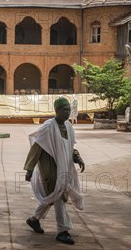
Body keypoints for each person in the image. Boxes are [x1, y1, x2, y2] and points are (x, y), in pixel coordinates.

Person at [24, 97, 85, 245]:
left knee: (53, 196)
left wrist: (77, 157)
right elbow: (36, 148)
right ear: (56, 111)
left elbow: (69, 147)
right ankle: (62, 231)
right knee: (58, 197)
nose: (67, 113)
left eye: (69, 110)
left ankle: (34, 219)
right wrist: (30, 169)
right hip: (50, 168)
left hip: (64, 167)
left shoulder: (69, 127)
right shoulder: (48, 127)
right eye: (64, 110)